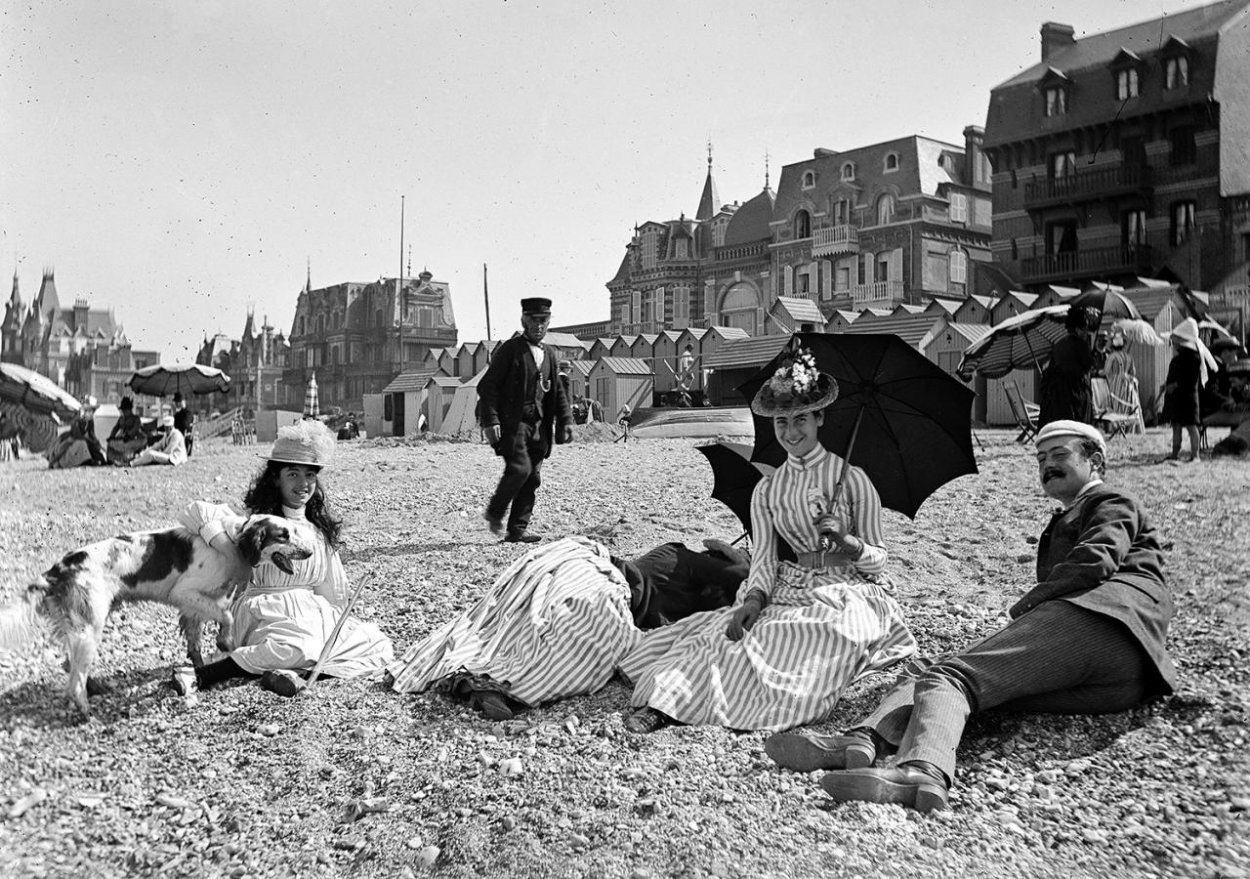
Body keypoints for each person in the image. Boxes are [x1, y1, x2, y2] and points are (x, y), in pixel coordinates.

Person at [770, 420, 1174, 813]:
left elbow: (1094, 561)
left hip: (1102, 621)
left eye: (1059, 455)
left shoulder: (1110, 501)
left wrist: (1025, 609)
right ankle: (864, 739)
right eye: (1040, 459)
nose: (1047, 465)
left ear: (1096, 461)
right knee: (937, 672)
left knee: (951, 677)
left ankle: (921, 769)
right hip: (1120, 681)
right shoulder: (1077, 510)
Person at [618, 348, 916, 733]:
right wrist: (755, 599)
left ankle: (752, 708)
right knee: (728, 636)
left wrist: (847, 543)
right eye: (781, 422)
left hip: (847, 590)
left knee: (818, 634)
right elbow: (763, 559)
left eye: (801, 419)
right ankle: (668, 704)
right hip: (789, 584)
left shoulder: (854, 480)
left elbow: (878, 561)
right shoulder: (768, 490)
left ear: (820, 418)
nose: (791, 433)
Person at [385, 536, 749, 720]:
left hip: (588, 576)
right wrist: (747, 564)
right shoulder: (683, 556)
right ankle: (497, 681)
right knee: (589, 634)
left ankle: (478, 677)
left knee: (523, 622)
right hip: (599, 577)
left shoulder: (689, 591)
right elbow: (741, 576)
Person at [173, 420, 393, 696]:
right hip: (264, 611)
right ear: (276, 478)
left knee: (376, 643)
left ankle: (287, 673)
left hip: (310, 613)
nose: (303, 484)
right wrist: (232, 554)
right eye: (293, 474)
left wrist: (334, 621)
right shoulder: (258, 522)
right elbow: (196, 512)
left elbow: (331, 590)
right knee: (297, 646)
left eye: (310, 475)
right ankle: (206, 675)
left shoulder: (318, 530)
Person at [477, 297, 574, 544]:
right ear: (524, 321)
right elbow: (487, 386)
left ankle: (516, 531)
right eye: (533, 320)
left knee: (533, 478)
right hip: (513, 425)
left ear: (548, 323)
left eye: (544, 321)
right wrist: (491, 420)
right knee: (520, 469)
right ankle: (494, 513)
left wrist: (566, 421)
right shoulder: (510, 351)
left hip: (539, 427)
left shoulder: (549, 354)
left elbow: (558, 392)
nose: (539, 326)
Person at [1162, 317, 1218, 462]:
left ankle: (1194, 455)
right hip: (1181, 397)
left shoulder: (1192, 358)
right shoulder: (1187, 358)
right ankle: (1178, 454)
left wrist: (1174, 385)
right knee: (1178, 426)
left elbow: (1188, 379)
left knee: (1190, 427)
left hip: (1187, 397)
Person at [1038, 305, 1098, 427]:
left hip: (1055, 399)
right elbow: (1089, 366)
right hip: (1073, 396)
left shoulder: (1059, 344)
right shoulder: (1081, 344)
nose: (1086, 332)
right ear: (1077, 329)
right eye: (1084, 329)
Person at [1102, 330, 1144, 434]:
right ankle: (1127, 429)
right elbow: (1133, 372)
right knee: (1127, 405)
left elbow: (1106, 371)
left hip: (1115, 383)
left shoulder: (1112, 357)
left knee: (1117, 405)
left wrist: (1099, 372)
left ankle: (1119, 428)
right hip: (1127, 384)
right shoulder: (1128, 357)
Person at [48, 396, 107, 468]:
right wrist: (90, 442)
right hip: (72, 442)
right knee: (81, 443)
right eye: (89, 411)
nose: (92, 413)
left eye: (92, 411)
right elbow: (77, 435)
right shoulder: (77, 420)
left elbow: (92, 435)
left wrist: (98, 445)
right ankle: (55, 461)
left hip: (82, 442)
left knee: (95, 451)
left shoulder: (90, 421)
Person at [107, 396, 149, 465]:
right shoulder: (121, 418)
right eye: (123, 410)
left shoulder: (136, 419)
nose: (124, 412)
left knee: (127, 447)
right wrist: (111, 436)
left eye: (125, 410)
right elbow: (116, 428)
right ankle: (110, 460)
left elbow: (135, 429)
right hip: (123, 438)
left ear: (130, 410)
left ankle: (126, 459)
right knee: (110, 443)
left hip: (136, 439)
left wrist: (128, 435)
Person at [172, 393, 195, 458]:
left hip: (183, 439)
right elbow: (171, 423)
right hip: (178, 436)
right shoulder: (178, 414)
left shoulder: (188, 413)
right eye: (176, 402)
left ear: (182, 402)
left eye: (178, 402)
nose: (176, 404)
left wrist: (174, 428)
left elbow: (184, 425)